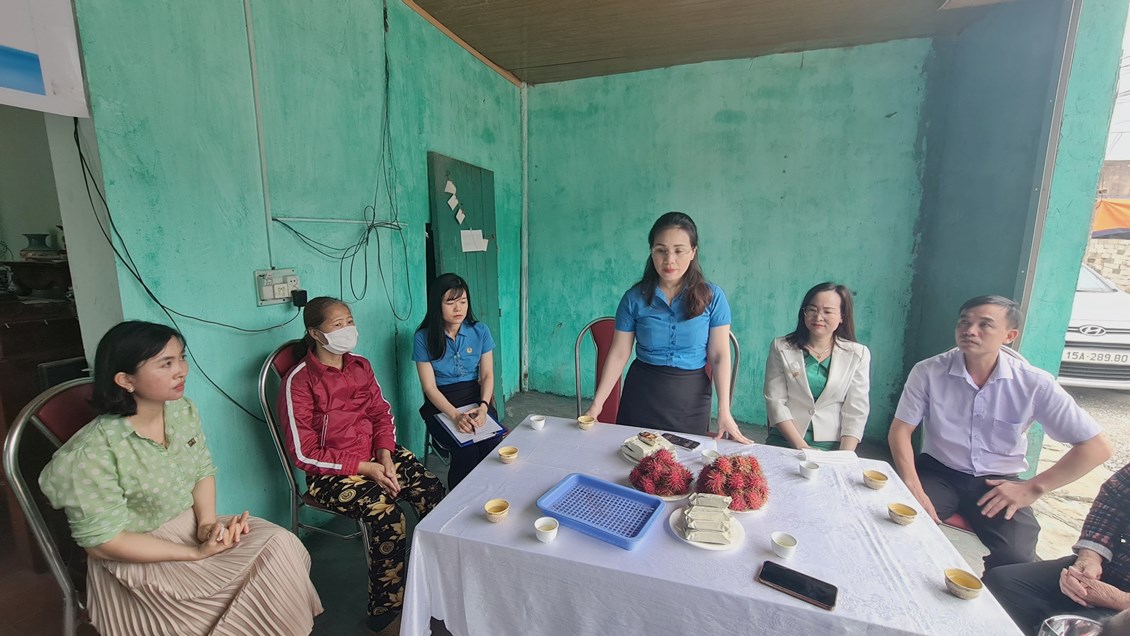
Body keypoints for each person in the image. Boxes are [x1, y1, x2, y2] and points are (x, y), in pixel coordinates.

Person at [39, 321, 322, 636]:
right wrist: (195, 554)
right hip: (138, 557)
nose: (182, 371)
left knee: (280, 544)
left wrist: (206, 525)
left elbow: (202, 470)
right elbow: (104, 544)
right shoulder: (90, 454)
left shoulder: (181, 411)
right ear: (125, 380)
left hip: (189, 528)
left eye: (181, 358)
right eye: (166, 364)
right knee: (238, 599)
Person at [888, 295, 1111, 570]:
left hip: (999, 483)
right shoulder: (928, 371)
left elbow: (1097, 447)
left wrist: (1032, 487)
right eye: (964, 322)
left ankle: (982, 595)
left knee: (1015, 559)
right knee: (899, 523)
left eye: (985, 325)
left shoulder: (1034, 383)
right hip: (938, 472)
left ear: (1009, 336)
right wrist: (913, 486)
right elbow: (901, 430)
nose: (970, 330)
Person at [278, 297, 445, 632]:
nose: (348, 329)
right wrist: (364, 468)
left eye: (350, 321)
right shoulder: (299, 381)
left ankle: (437, 577)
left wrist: (384, 454)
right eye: (337, 324)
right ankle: (386, 613)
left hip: (375, 456)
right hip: (330, 474)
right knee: (388, 517)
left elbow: (381, 413)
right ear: (315, 333)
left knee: (430, 488)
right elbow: (303, 453)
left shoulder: (360, 366)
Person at [582, 212, 750, 442]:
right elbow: (619, 353)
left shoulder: (713, 297)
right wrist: (596, 405)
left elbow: (719, 355)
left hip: (690, 399)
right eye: (661, 250)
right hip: (642, 394)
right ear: (652, 252)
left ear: (693, 252)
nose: (669, 260)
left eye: (679, 251)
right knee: (632, 456)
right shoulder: (634, 298)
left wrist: (724, 411)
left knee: (684, 461)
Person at [985, 461, 1130, 634]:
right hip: (1107, 568)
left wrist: (1119, 599)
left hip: (1124, 609)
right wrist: (1090, 557)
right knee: (1003, 584)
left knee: (1083, 631)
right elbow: (1111, 501)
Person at [413, 273, 505, 490]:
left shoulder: (480, 331)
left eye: (463, 302)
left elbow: (487, 375)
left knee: (491, 443)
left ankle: (491, 495)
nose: (458, 309)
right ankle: (460, 501)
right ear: (437, 305)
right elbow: (429, 387)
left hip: (475, 398)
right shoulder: (423, 337)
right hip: (441, 403)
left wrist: (483, 407)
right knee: (466, 449)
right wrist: (455, 416)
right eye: (450, 303)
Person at [763, 282, 870, 451]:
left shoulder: (858, 354)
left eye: (827, 311)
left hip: (832, 445)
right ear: (804, 312)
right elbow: (775, 401)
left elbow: (856, 410)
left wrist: (845, 456)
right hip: (786, 441)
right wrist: (802, 447)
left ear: (842, 316)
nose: (818, 317)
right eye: (812, 309)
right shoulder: (781, 347)